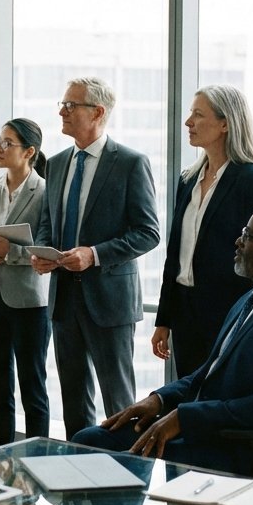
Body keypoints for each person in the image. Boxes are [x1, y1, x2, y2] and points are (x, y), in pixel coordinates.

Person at [72, 203, 253, 488]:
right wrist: (158, 400)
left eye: (248, 235)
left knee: (108, 459)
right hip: (209, 431)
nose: (238, 241)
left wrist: (184, 418)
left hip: (242, 449)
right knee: (89, 441)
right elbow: (210, 373)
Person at [31, 77, 161, 439]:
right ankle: (81, 476)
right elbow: (47, 224)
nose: (62, 111)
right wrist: (43, 253)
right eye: (63, 103)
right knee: (73, 401)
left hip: (109, 301)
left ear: (98, 112)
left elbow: (148, 232)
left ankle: (125, 479)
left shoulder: (131, 163)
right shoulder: (56, 164)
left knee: (118, 402)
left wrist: (95, 255)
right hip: (63, 299)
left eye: (71, 105)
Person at [153, 86, 253, 381]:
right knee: (187, 400)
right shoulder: (189, 178)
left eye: (198, 114)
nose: (188, 123)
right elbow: (176, 253)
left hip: (228, 315)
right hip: (185, 314)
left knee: (217, 399)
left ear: (225, 124)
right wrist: (164, 319)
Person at [0, 119, 51, 445]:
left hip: (29, 301)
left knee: (32, 387)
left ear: (29, 152)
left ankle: (37, 460)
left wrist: (11, 253)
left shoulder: (45, 192)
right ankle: (2, 459)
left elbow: (48, 245)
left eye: (9, 143)